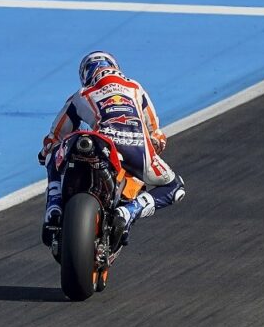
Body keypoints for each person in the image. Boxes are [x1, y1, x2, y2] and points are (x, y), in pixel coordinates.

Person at [38, 51, 185, 248]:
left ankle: (54, 205)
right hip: (138, 149)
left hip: (103, 144)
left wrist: (45, 154)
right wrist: (152, 148)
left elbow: (55, 136)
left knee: (54, 151)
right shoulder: (135, 87)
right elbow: (157, 135)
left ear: (86, 75)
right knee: (175, 187)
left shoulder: (82, 94)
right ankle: (129, 211)